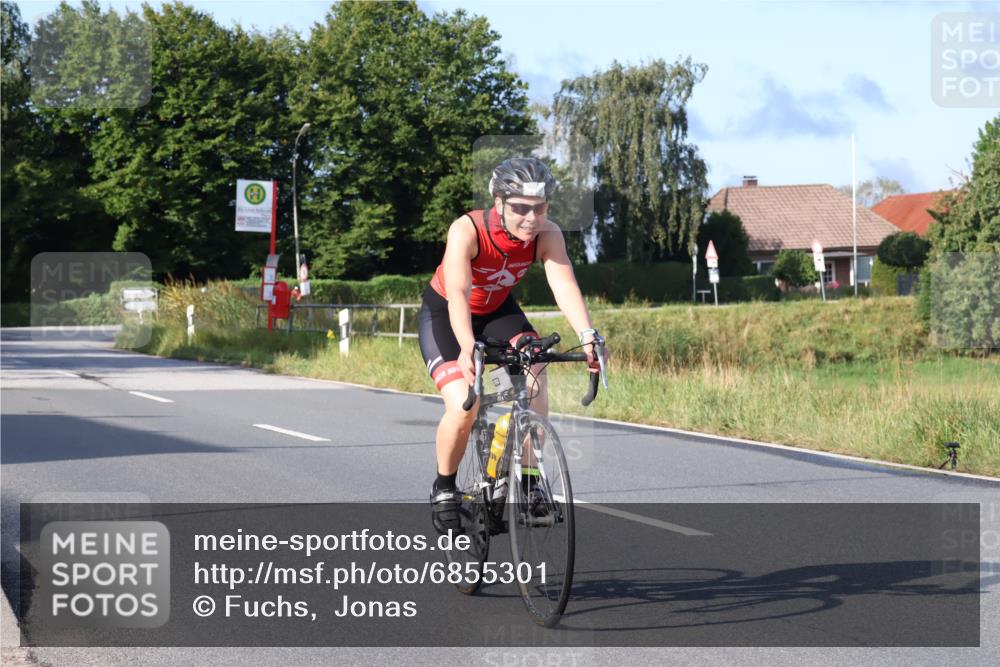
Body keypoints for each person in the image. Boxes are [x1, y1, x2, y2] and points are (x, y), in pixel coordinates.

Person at [417, 157, 603, 533]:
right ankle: (445, 486)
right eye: (520, 208)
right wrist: (467, 345)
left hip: (499, 312)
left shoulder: (548, 234)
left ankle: (531, 481)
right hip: (448, 315)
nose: (531, 219)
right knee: (463, 404)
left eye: (540, 208)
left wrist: (588, 335)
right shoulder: (466, 230)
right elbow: (458, 291)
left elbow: (564, 284)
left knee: (535, 367)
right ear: (498, 202)